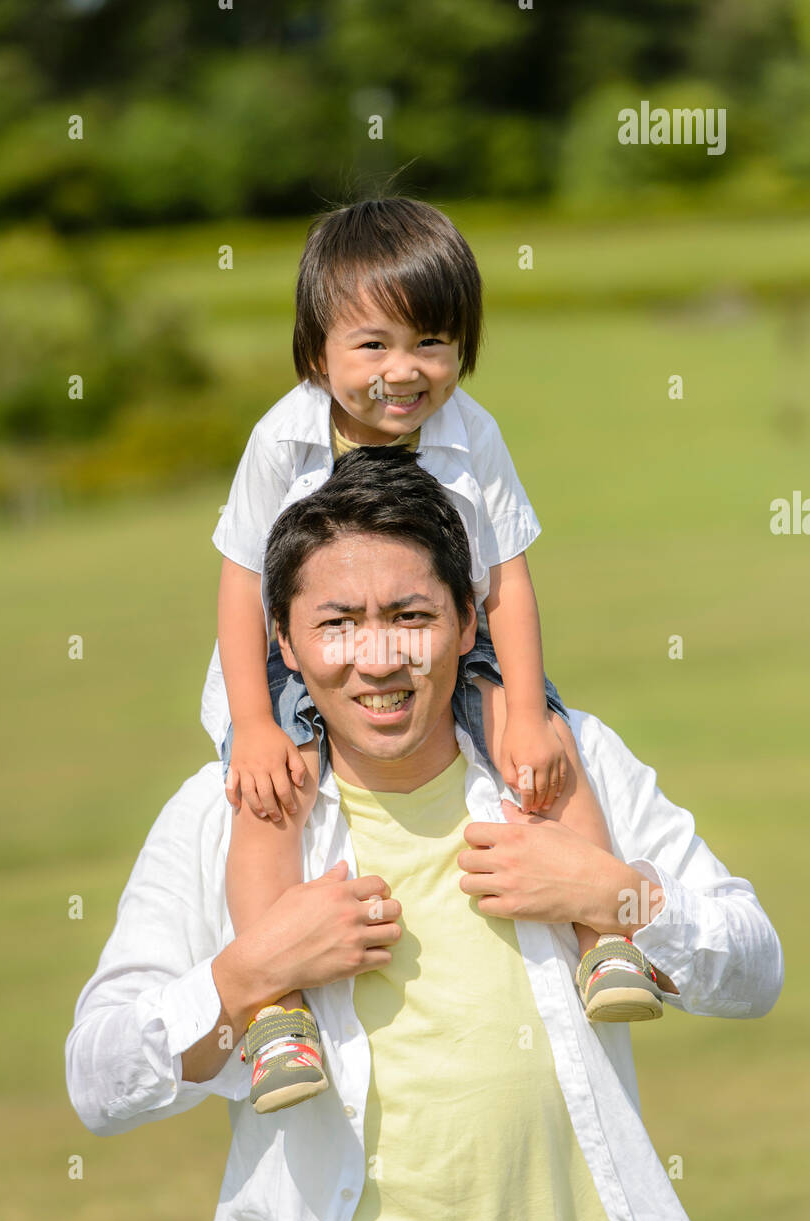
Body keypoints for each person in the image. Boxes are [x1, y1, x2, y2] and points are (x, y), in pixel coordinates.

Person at [66, 450, 783, 1221]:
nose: (377, 659)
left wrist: (607, 893)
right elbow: (100, 1083)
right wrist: (251, 972)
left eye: (410, 615)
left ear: (468, 624)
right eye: (335, 626)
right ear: (283, 644)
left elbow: (753, 970)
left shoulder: (563, 760)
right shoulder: (224, 809)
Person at [204, 197, 662, 1115]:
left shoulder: (471, 434)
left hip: (460, 635)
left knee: (545, 749)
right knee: (272, 790)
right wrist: (253, 720)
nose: (403, 372)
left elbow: (510, 583)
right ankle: (275, 1012)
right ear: (315, 354)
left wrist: (526, 712)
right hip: (298, 661)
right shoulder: (281, 437)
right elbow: (238, 580)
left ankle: (604, 938)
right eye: (371, 346)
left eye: (433, 343)